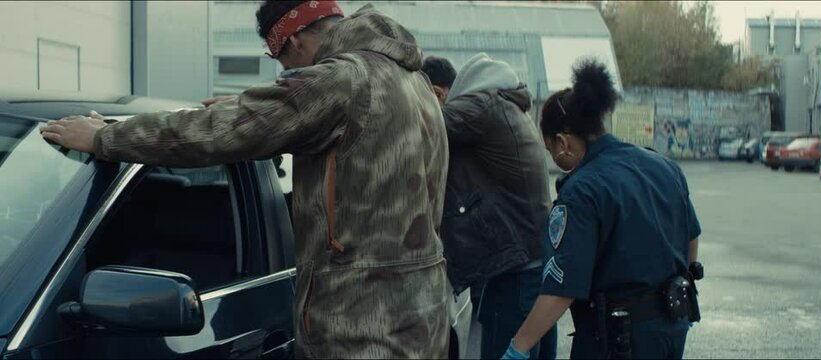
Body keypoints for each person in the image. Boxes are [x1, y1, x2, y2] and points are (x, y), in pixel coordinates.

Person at [41, 1, 451, 358]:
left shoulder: (340, 80)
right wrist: (258, 108)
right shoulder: (410, 80)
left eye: (281, 63)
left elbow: (217, 132)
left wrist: (104, 137)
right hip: (421, 313)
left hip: (360, 327)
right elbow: (340, 131)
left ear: (291, 42)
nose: (285, 73)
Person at [503, 60, 702, 359]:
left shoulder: (582, 190)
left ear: (562, 141)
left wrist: (518, 347)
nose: (554, 159)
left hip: (614, 341)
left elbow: (561, 288)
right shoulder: (664, 166)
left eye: (551, 151)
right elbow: (691, 237)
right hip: (671, 329)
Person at [422, 53, 556, 359]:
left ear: (440, 94)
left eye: (434, 98)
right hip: (529, 264)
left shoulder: (481, 107)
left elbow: (420, 123)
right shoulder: (505, 106)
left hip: (514, 270)